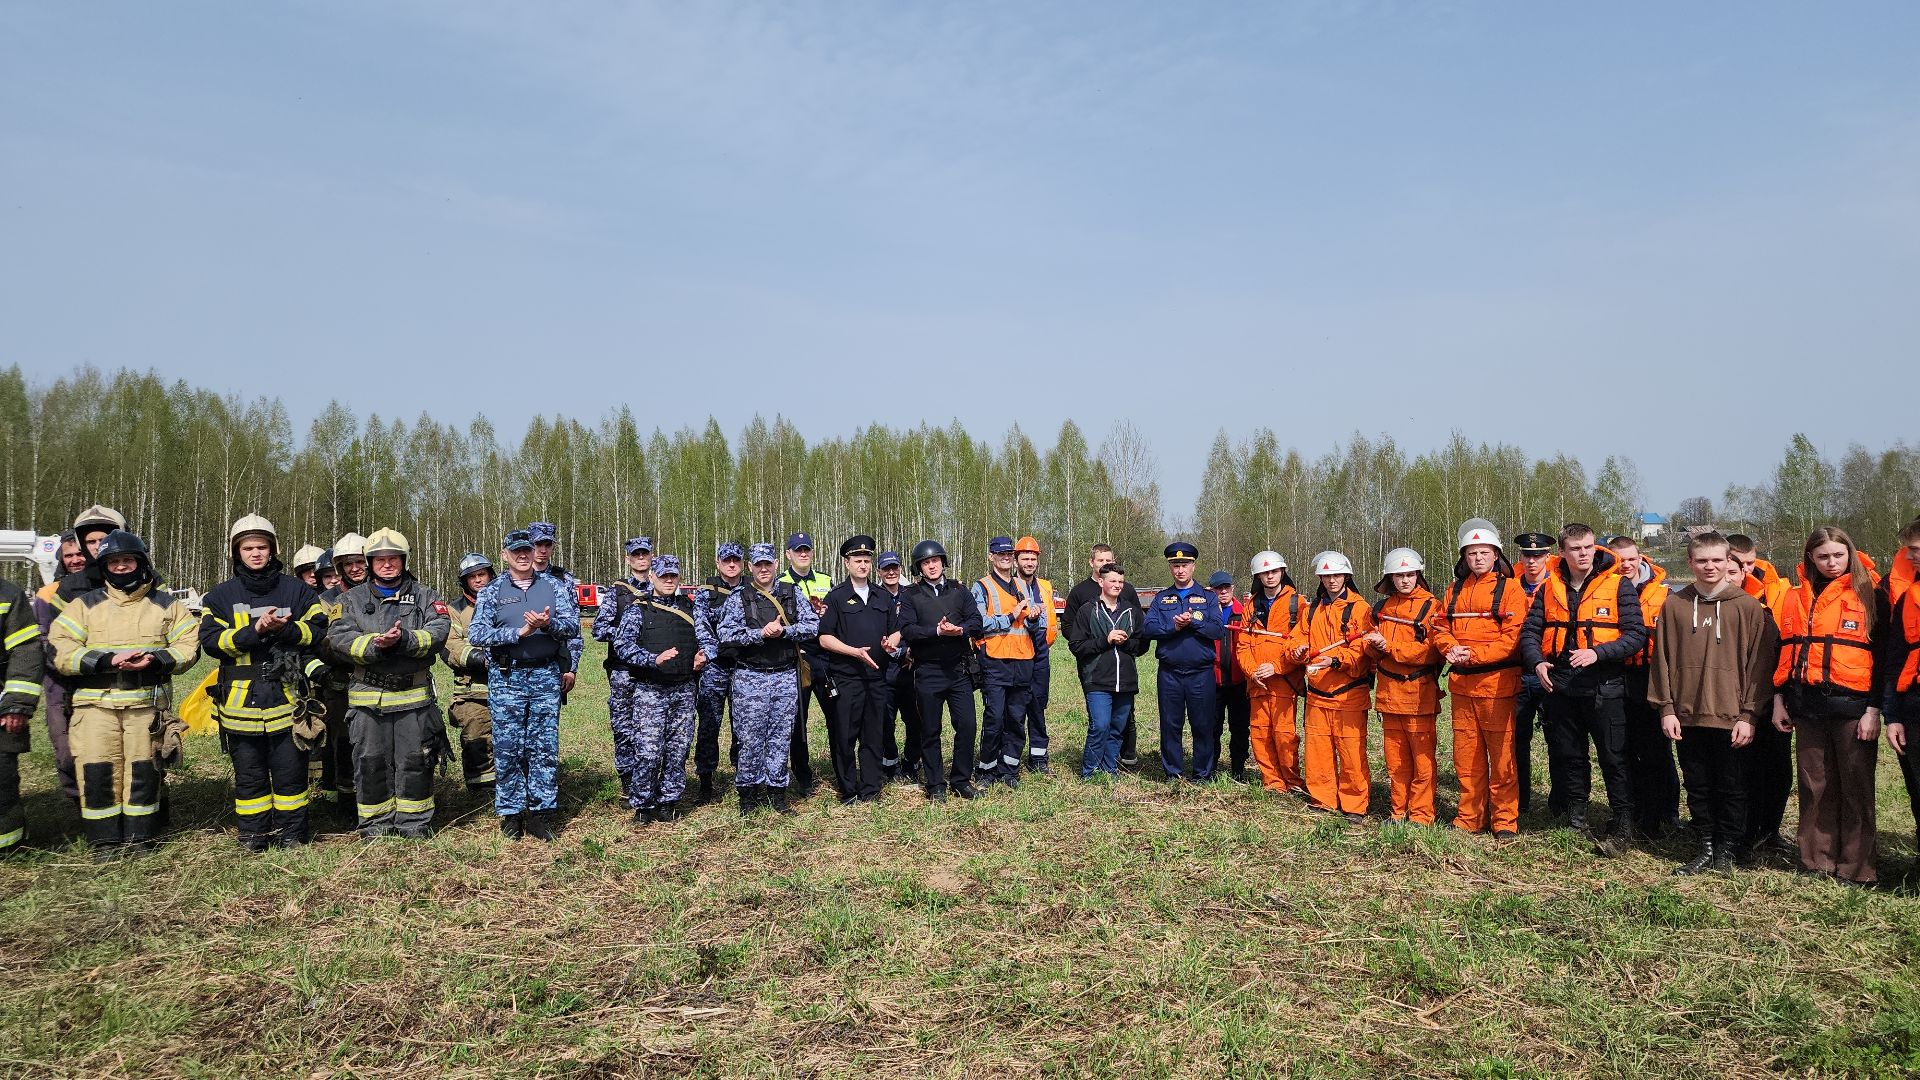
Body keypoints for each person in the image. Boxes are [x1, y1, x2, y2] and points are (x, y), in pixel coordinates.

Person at [49, 530, 198, 858]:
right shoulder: (84, 605)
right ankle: (104, 841)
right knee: (98, 771)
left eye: (126, 559)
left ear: (140, 562)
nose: (120, 567)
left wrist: (158, 658)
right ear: (103, 567)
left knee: (144, 771)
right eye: (112, 562)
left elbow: (189, 646)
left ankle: (140, 837)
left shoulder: (166, 605)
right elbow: (60, 649)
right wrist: (105, 660)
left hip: (146, 705)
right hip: (94, 708)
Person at [1648, 531, 1778, 875]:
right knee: (1698, 785)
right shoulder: (1675, 605)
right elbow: (1660, 659)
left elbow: (1760, 667)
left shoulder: (1748, 607)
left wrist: (1750, 715)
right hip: (1687, 715)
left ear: (1729, 563)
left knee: (1733, 786)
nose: (1710, 567)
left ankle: (1728, 848)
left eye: (1717, 560)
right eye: (1702, 560)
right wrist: (1667, 708)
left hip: (1732, 716)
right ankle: (1705, 845)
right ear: (1690, 563)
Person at [199, 515, 329, 852]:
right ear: (236, 552)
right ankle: (253, 837)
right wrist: (254, 632)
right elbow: (211, 641)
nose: (256, 554)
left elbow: (318, 631)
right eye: (248, 548)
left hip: (288, 699)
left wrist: (285, 630)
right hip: (240, 704)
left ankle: (293, 836)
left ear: (272, 550)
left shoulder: (297, 590)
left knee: (290, 774)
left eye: (262, 547)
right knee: (250, 776)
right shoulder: (219, 596)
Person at [1522, 522, 1648, 856]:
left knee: (1614, 758)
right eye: (1575, 549)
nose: (1583, 554)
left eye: (1588, 547)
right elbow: (1530, 633)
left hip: (1604, 686)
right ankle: (1575, 821)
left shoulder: (1618, 585)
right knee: (1569, 757)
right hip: (1562, 686)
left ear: (1596, 548)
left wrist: (1597, 652)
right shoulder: (1549, 588)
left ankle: (1622, 827)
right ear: (1562, 552)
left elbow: (1636, 635)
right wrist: (1537, 663)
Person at [1773, 526, 1887, 886]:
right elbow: (1783, 651)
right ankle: (1816, 861)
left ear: (1849, 553)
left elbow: (1883, 658)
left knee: (1856, 787)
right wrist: (1780, 700)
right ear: (1810, 558)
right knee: (1814, 785)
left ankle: (1858, 868)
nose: (1831, 562)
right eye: (1823, 556)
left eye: (1838, 555)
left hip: (1853, 708)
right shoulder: (1794, 597)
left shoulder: (1870, 595)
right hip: (1806, 706)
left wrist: (1874, 709)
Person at [326, 528, 452, 841]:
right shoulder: (349, 601)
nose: (386, 564)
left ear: (403, 559)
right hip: (368, 700)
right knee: (370, 763)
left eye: (392, 558)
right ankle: (375, 826)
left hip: (414, 698)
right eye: (379, 559)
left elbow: (438, 631)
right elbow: (340, 639)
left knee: (414, 761)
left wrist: (405, 638)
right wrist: (375, 645)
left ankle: (414, 824)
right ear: (369, 563)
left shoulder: (426, 596)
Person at [466, 529, 578, 841]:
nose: (523, 555)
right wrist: (519, 632)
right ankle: (512, 814)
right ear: (505, 556)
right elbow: (477, 634)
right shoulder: (492, 591)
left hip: (544, 676)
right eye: (516, 551)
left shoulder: (554, 587)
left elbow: (571, 626)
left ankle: (541, 814)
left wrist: (548, 624)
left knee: (543, 747)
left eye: (527, 550)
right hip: (506, 677)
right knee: (507, 748)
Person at [1430, 519, 1530, 838]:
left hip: (1497, 686)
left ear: (1496, 554)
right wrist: (1449, 648)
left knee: (1501, 758)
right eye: (1471, 553)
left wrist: (1473, 655)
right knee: (1466, 756)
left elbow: (1512, 637)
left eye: (1484, 552)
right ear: (1463, 557)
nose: (1477, 558)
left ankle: (1504, 822)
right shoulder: (1454, 589)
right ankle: (1469, 818)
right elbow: (1438, 627)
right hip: (1462, 687)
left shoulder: (1510, 589)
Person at [718, 543, 819, 815]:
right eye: (758, 565)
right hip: (750, 677)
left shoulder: (791, 593)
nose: (763, 569)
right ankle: (748, 795)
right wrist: (760, 633)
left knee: (780, 738)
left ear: (776, 564)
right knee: (749, 739)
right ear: (750, 567)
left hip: (785, 676)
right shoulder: (739, 597)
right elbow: (726, 634)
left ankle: (777, 793)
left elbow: (812, 626)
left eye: (768, 564)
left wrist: (784, 632)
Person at [610, 555, 710, 823]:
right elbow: (622, 646)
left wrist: (704, 656)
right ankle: (643, 803)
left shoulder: (691, 609)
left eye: (673, 576)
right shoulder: (637, 609)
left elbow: (709, 640)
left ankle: (669, 801)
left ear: (678, 578)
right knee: (648, 750)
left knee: (678, 749)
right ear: (652, 577)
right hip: (650, 689)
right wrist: (651, 659)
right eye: (663, 576)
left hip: (683, 688)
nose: (668, 580)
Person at [818, 535, 910, 804]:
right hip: (847, 678)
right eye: (857, 560)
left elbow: (896, 631)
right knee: (844, 735)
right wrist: (854, 652)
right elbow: (824, 638)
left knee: (873, 735)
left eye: (867, 561)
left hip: (876, 678)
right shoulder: (836, 597)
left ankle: (871, 789)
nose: (862, 565)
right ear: (847, 563)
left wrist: (890, 643)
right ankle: (848, 790)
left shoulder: (882, 596)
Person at [1287, 551, 1374, 820]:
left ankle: (1354, 805)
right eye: (1326, 576)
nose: (1331, 581)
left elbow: (1362, 650)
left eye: (1336, 575)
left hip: (1348, 694)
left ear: (1346, 576)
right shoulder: (1311, 609)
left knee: (1351, 753)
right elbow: (1293, 639)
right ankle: (1322, 798)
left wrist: (1336, 660)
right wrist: (1297, 651)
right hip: (1316, 694)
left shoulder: (1360, 609)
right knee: (1318, 751)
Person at [1364, 548, 1442, 826]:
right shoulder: (1381, 609)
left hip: (1419, 695)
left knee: (1422, 761)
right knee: (1396, 762)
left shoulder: (1432, 606)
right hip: (1389, 696)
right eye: (1399, 575)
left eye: (1410, 574)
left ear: (1418, 575)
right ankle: (1398, 812)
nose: (1405, 580)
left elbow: (1431, 651)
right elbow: (1368, 647)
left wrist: (1391, 648)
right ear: (1390, 578)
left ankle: (1421, 815)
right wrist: (1373, 646)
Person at [901, 540, 982, 801]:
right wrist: (936, 631)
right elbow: (907, 630)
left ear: (943, 562)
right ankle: (935, 783)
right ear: (919, 567)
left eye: (935, 560)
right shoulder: (910, 595)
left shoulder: (959, 590)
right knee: (930, 729)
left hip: (958, 670)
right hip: (928, 672)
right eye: (926, 562)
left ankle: (961, 779)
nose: (932, 565)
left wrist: (961, 630)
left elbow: (976, 622)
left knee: (967, 725)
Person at [1728, 533, 1794, 857]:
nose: (1748, 571)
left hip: (1776, 689)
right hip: (1738, 694)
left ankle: (1771, 829)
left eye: (1752, 564)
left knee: (1778, 767)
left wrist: (1782, 692)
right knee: (1744, 768)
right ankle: (1743, 831)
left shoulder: (1782, 591)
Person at [1610, 535, 1680, 838]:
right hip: (1617, 676)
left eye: (1630, 558)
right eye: (1618, 559)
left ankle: (1667, 812)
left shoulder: (1666, 595)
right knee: (1623, 748)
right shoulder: (1604, 590)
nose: (1625, 564)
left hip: (1652, 676)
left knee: (1657, 749)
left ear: (1641, 558)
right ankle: (1636, 810)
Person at [1143, 542, 1227, 782]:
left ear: (1193, 566)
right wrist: (1174, 626)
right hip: (1169, 674)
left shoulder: (1208, 598)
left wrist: (1194, 623)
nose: (1180, 570)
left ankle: (1203, 773)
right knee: (1170, 725)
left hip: (1201, 674)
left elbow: (1217, 630)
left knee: (1203, 725)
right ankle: (1173, 773)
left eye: (1185, 565)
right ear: (1171, 567)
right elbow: (1148, 628)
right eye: (1176, 565)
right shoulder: (1161, 598)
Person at [1064, 543, 1143, 766]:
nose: (1117, 585)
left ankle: (1110, 768)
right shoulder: (1086, 607)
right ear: (1101, 580)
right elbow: (1075, 643)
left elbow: (1143, 642)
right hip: (1096, 675)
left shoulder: (1130, 609)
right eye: (1113, 581)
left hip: (1124, 678)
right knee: (1099, 724)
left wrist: (1127, 644)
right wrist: (1104, 641)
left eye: (1120, 582)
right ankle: (1090, 770)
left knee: (1118, 726)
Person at [1236, 551, 1306, 794]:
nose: (1270, 576)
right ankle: (1273, 782)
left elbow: (1301, 645)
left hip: (1284, 683)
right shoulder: (1251, 605)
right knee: (1260, 735)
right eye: (1265, 572)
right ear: (1258, 576)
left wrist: (1276, 667)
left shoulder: (1298, 603)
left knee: (1285, 736)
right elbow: (1242, 644)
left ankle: (1293, 782)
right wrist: (1252, 671)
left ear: (1282, 572)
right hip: (1257, 684)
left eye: (1274, 571)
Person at [972, 536, 1039, 790]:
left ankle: (1009, 769)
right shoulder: (982, 587)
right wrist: (1010, 616)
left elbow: (1031, 624)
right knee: (994, 718)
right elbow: (978, 624)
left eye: (1009, 553)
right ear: (991, 556)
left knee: (1016, 718)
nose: (1006, 557)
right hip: (995, 661)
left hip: (1023, 660)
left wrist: (1032, 618)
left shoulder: (1022, 586)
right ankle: (986, 770)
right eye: (1000, 554)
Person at [595, 538, 654, 814]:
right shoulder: (617, 592)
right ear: (628, 559)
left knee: (652, 727)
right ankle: (628, 781)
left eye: (645, 554)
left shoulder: (663, 586)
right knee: (624, 725)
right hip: (623, 670)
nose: (641, 558)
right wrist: (629, 633)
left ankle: (652, 779)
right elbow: (598, 629)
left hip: (654, 671)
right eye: (636, 555)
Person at [313, 531, 369, 811]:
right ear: (339, 568)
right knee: (344, 743)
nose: (355, 568)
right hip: (340, 685)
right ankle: (347, 804)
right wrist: (364, 649)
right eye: (348, 564)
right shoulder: (325, 600)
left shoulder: (383, 591)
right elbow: (323, 643)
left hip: (379, 684)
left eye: (360, 561)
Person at [31, 529, 88, 803]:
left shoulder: (103, 590)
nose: (76, 559)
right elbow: (41, 638)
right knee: (66, 752)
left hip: (98, 683)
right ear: (61, 559)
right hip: (59, 685)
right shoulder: (48, 594)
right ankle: (78, 803)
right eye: (69, 555)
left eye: (80, 553)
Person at [780, 532, 834, 798]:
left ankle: (841, 769)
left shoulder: (826, 580)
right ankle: (803, 776)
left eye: (807, 550)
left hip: (824, 657)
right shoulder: (779, 583)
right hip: (796, 658)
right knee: (798, 721)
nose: (803, 554)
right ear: (788, 554)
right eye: (797, 550)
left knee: (836, 716)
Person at [442, 552, 499, 796]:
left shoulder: (507, 600)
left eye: (482, 574)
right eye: (472, 577)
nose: (478, 580)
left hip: (510, 686)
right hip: (473, 690)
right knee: (476, 737)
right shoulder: (454, 610)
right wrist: (482, 658)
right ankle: (480, 793)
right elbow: (450, 646)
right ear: (464, 582)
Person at [692, 541, 742, 804]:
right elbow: (701, 627)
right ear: (718, 563)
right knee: (709, 724)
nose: (731, 565)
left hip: (745, 668)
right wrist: (715, 652)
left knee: (742, 725)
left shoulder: (752, 590)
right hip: (715, 667)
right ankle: (705, 780)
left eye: (736, 560)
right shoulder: (705, 592)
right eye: (726, 561)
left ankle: (741, 774)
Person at [1882, 518, 1920, 854]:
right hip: (1913, 707)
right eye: (1910, 551)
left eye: (1918, 551)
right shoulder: (1906, 599)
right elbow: (1894, 661)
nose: (1912, 558)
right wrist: (1891, 715)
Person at [1511, 531, 1556, 814]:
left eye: (1538, 555)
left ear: (1548, 557)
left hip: (1551, 671)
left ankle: (1560, 803)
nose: (1532, 561)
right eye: (1527, 555)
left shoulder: (1558, 588)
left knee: (1558, 739)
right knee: (1517, 739)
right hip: (1518, 671)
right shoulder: (1509, 588)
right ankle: (1520, 799)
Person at [0, 574, 46, 855]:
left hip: (1, 707)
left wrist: (17, 704)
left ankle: (9, 845)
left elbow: (26, 650)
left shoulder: (7, 595)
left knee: (1, 782)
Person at [875, 550, 923, 784]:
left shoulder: (912, 594)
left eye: (894, 567)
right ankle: (889, 763)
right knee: (885, 720)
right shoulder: (874, 596)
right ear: (879, 572)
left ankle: (912, 763)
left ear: (901, 569)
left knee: (915, 719)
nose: (891, 572)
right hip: (885, 669)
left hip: (911, 667)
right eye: (886, 569)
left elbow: (920, 626)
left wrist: (913, 651)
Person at [1012, 536, 1057, 774]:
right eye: (1025, 558)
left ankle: (1038, 757)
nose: (1029, 563)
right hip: (1018, 652)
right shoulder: (1010, 585)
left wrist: (1049, 641)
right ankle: (1012, 756)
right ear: (1016, 560)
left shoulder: (1046, 587)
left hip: (1041, 652)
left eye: (1033, 558)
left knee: (1038, 705)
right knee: (1017, 707)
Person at [527, 522, 583, 702]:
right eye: (538, 544)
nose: (543, 550)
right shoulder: (514, 576)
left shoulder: (563, 579)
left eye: (547, 545)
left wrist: (570, 668)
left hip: (552, 660)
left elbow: (575, 628)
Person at [1208, 570, 1250, 780]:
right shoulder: (1206, 613)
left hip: (1239, 682)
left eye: (1226, 587)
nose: (1223, 592)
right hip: (1213, 682)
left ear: (1232, 588)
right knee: (1212, 727)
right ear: (1212, 590)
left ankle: (1238, 768)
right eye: (1218, 588)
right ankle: (1211, 766)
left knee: (1240, 728)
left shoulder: (1244, 613)